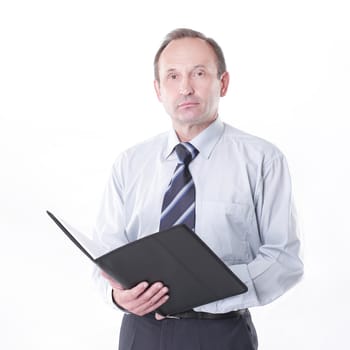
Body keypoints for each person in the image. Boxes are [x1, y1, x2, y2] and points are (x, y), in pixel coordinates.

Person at [93, 28, 304, 350]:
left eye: (200, 73)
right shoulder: (130, 163)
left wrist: (211, 291)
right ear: (158, 89)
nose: (186, 88)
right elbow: (105, 252)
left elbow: (282, 259)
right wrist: (118, 297)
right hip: (141, 332)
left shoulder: (262, 159)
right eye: (173, 76)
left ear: (223, 82)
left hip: (220, 332)